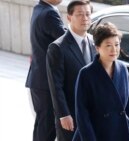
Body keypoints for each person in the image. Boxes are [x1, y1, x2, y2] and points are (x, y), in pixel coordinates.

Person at [73, 22, 129, 141]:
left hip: (121, 132)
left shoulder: (123, 69)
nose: (114, 49)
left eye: (116, 44)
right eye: (108, 45)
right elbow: (82, 114)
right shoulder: (86, 73)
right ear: (97, 47)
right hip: (96, 133)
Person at [46, 1, 95, 141]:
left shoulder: (95, 43)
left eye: (87, 14)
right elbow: (56, 86)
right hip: (71, 116)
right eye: (79, 14)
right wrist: (63, 114)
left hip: (93, 114)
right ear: (69, 17)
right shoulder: (57, 47)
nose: (85, 18)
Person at [25, 0, 66, 141]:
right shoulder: (49, 13)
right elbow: (66, 40)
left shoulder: (40, 8)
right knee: (46, 128)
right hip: (45, 82)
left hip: (39, 79)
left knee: (43, 126)